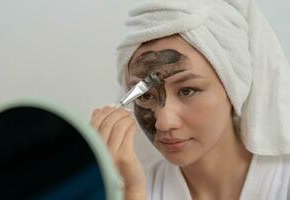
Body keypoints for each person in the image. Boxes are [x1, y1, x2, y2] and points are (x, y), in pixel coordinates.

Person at [91, 0, 290, 199]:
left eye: (187, 91)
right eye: (146, 95)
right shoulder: (131, 187)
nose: (164, 123)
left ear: (234, 87)